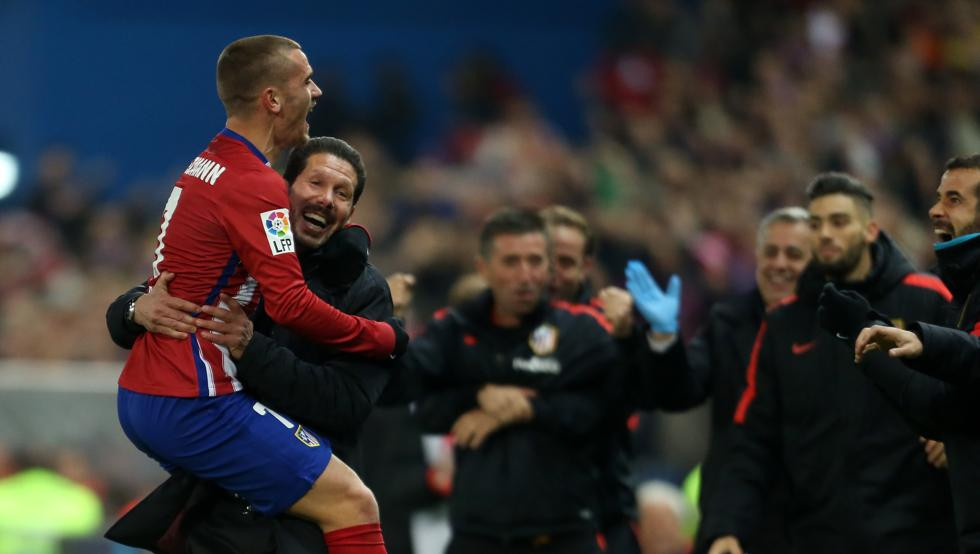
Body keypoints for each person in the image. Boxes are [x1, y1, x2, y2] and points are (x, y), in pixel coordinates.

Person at [118, 40, 409, 551]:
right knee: (353, 503)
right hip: (194, 397)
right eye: (306, 80)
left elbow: (183, 281)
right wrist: (384, 337)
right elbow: (291, 305)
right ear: (273, 99)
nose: (316, 92)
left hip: (152, 390)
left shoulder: (207, 163)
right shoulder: (257, 186)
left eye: (343, 194)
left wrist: (138, 306)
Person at [692, 173, 958, 553]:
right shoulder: (785, 321)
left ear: (869, 230)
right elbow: (751, 439)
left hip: (918, 534)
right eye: (816, 224)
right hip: (818, 536)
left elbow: (969, 382)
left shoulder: (927, 300)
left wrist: (958, 436)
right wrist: (725, 527)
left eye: (839, 221)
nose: (826, 234)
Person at [405, 208, 620, 554]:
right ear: (483, 268)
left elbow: (608, 409)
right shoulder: (455, 329)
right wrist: (477, 397)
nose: (525, 275)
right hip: (477, 535)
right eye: (511, 262)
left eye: (535, 261)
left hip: (563, 533)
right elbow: (419, 404)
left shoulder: (582, 331)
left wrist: (529, 408)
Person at [623, 206, 812, 553]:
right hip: (735, 519)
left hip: (812, 516)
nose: (780, 263)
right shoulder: (729, 322)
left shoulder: (835, 329)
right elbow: (681, 391)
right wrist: (665, 338)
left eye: (794, 254)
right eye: (770, 252)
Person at [821, 154, 980, 551]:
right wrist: (865, 330)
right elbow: (939, 410)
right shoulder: (964, 298)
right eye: (939, 196)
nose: (934, 209)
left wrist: (924, 340)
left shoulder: (935, 298)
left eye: (954, 199)